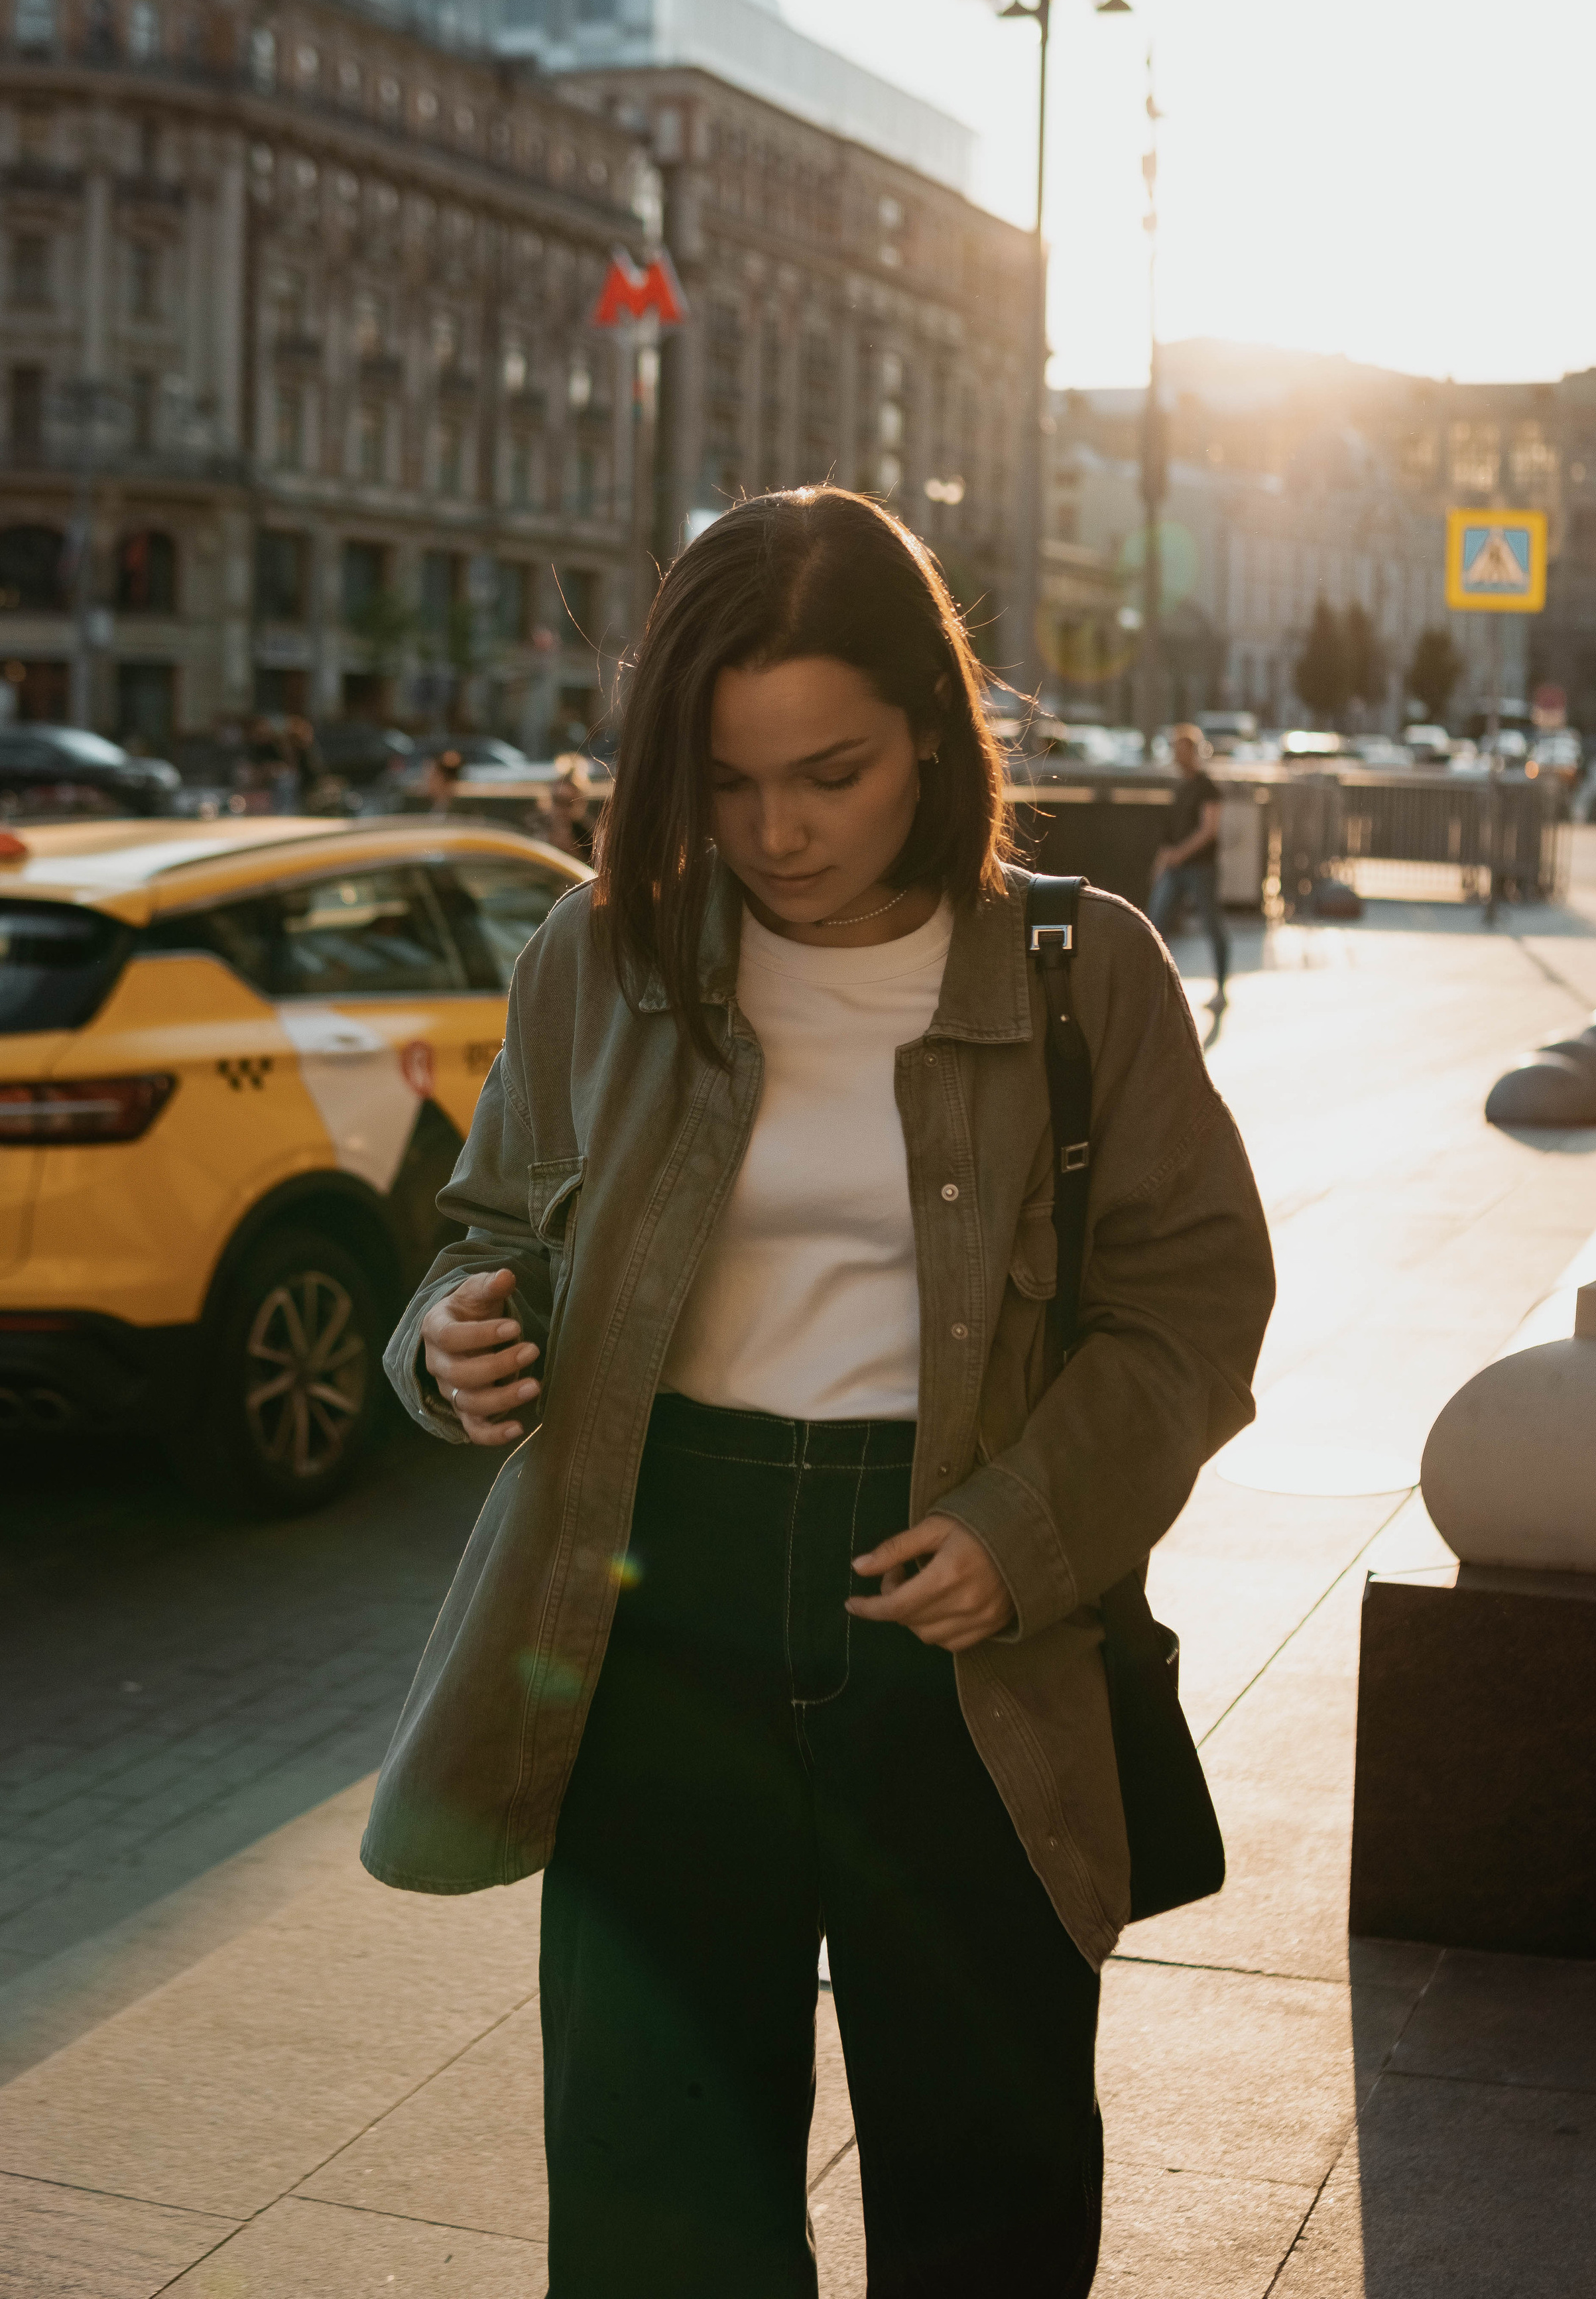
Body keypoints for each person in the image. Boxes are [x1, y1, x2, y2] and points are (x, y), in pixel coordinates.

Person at [363, 488, 1274, 2298]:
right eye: (723, 780)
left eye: (831, 773)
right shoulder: (600, 960)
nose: (775, 832)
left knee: (984, 2192)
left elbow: (1198, 1298)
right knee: (657, 2204)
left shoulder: (1081, 971)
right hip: (648, 1606)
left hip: (958, 1622)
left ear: (932, 734)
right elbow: (483, 1232)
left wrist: (1026, 1529)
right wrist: (452, 1334)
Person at [1148, 723, 1230, 1006]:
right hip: (1174, 867)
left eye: (1182, 751)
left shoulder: (1208, 787)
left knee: (1212, 925)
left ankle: (1221, 988)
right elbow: (1169, 832)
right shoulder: (1179, 787)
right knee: (1155, 925)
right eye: (1175, 750)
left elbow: (1209, 830)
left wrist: (1180, 854)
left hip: (1200, 868)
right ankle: (1157, 988)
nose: (1177, 756)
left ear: (1194, 752)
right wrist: (1162, 863)